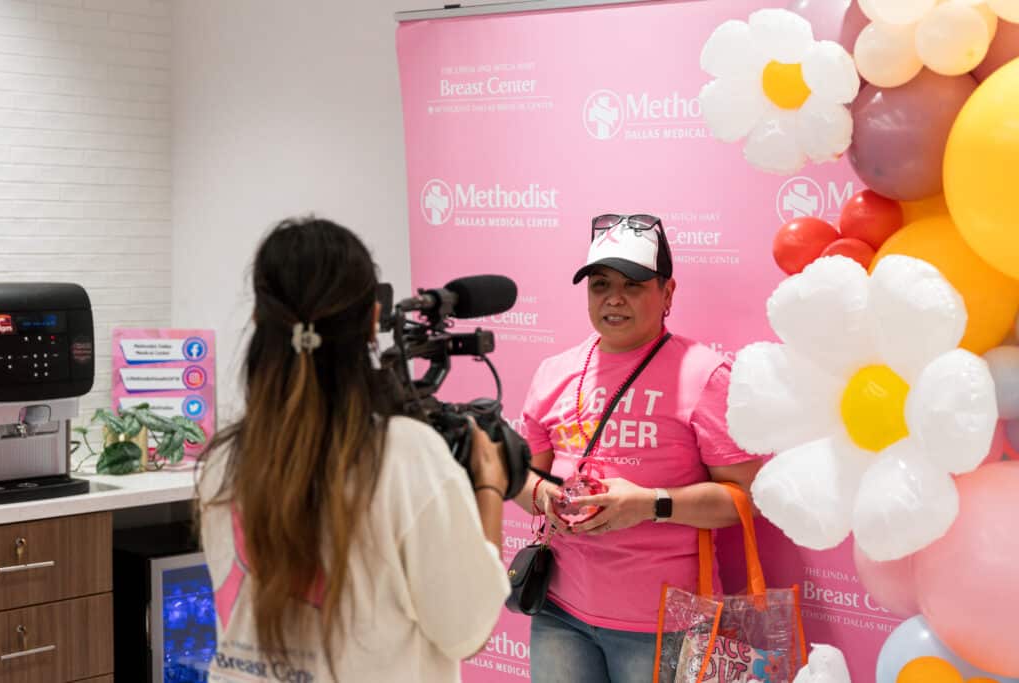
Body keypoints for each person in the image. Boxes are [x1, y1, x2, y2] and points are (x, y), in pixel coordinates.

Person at [197, 217, 510, 682]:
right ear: (371, 323)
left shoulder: (224, 459)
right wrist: (489, 486)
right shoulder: (404, 457)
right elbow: (467, 631)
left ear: (259, 320)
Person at [514, 213, 763, 683]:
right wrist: (546, 497)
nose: (613, 298)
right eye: (600, 284)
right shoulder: (554, 373)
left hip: (667, 625)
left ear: (667, 294)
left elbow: (744, 498)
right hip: (559, 613)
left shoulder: (706, 374)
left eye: (633, 285)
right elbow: (524, 478)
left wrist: (649, 505)